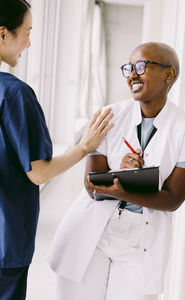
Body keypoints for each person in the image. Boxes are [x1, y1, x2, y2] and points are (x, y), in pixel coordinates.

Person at [47, 42, 185, 300]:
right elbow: (92, 186)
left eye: (141, 66)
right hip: (91, 233)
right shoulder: (108, 115)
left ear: (168, 75)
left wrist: (122, 189)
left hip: (141, 242)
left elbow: (174, 198)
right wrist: (121, 173)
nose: (132, 75)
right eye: (128, 67)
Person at [0, 1, 114, 299]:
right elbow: (39, 173)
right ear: (3, 34)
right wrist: (85, 147)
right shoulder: (14, 94)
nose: (29, 42)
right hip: (4, 240)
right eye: (27, 32)